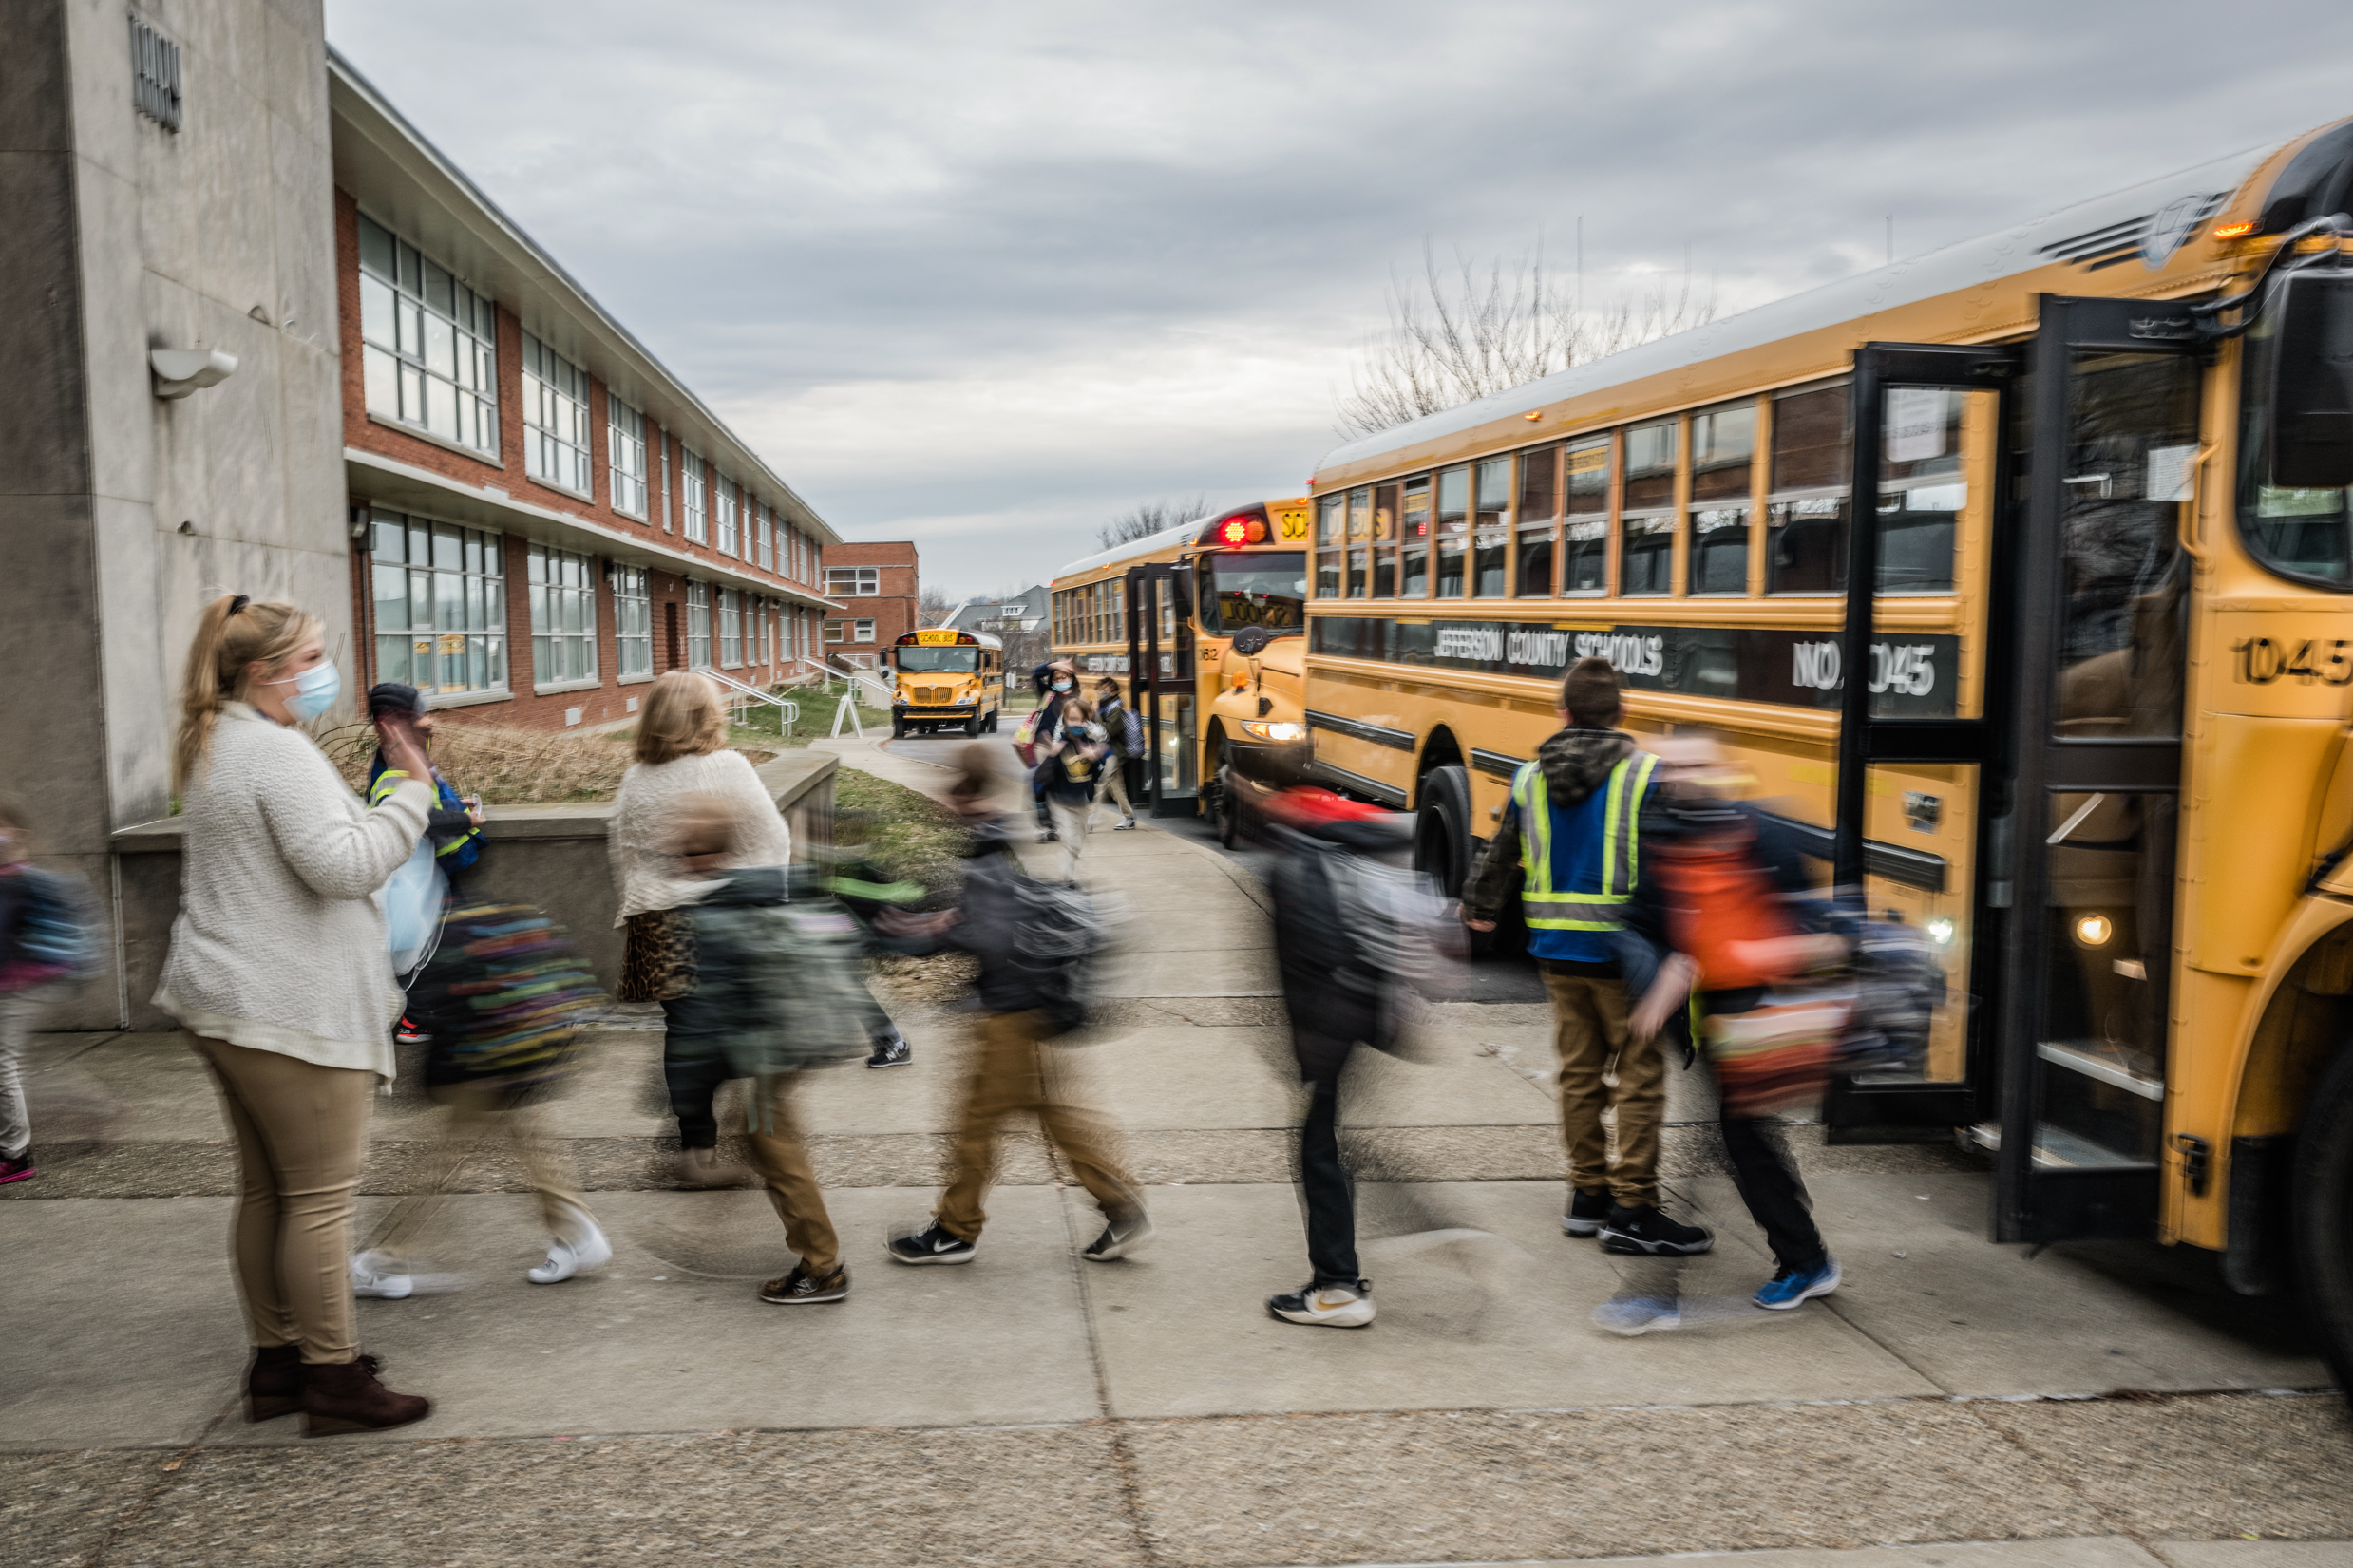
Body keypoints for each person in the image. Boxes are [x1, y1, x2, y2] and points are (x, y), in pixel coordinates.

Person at [156, 593, 436, 1436]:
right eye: (311, 658)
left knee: (267, 1191)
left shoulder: (216, 738)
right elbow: (342, 866)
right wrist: (413, 792)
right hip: (287, 1006)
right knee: (318, 1200)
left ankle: (277, 1364)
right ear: (263, 673)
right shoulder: (275, 751)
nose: (324, 671)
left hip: (226, 998)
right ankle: (334, 1379)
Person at [1462, 656, 1712, 1257]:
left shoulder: (1529, 777)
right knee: (1638, 1080)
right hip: (1626, 956)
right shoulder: (1646, 773)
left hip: (1557, 950)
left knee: (1578, 1074)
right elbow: (1675, 863)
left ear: (1564, 713)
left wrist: (1480, 908)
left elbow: (1502, 852)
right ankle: (1634, 1207)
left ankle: (1586, 1195)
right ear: (1622, 712)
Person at [881, 746, 1148, 1267]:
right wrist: (944, 924)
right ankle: (1122, 1206)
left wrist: (935, 930)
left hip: (1011, 1009)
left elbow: (993, 928)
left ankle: (956, 1229)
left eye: (952, 791)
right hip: (1030, 1004)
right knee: (1056, 1114)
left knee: (977, 1121)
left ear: (963, 792)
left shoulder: (985, 840)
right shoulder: (997, 834)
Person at [1624, 733, 1845, 1311]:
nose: (1685, 774)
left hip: (1763, 1018)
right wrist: (1656, 991)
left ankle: (1807, 1260)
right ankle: (1804, 1254)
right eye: (1673, 766)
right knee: (1745, 1140)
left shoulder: (1766, 833)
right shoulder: (1661, 839)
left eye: (1697, 763)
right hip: (1711, 1025)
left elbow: (1809, 929)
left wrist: (1755, 954)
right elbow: (1649, 925)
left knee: (1743, 1139)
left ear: (1724, 770)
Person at [665, 794, 858, 1305]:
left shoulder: (714, 916)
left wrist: (685, 1087)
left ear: (706, 856)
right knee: (764, 1140)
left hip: (769, 1051)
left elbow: (709, 1015)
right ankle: (814, 1258)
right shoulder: (756, 893)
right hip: (788, 1045)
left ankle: (822, 1267)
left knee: (776, 1150)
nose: (679, 861)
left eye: (686, 852)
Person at [608, 671, 794, 1189]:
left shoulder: (635, 779)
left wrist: (639, 911)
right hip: (722, 921)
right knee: (745, 1032)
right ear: (705, 715)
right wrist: (765, 908)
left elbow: (621, 853)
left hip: (654, 924)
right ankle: (752, 1135)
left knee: (685, 1038)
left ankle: (695, 1146)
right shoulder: (727, 768)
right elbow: (774, 840)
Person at [1260, 787, 1415, 1329]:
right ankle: (1344, 1272)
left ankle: (1338, 1287)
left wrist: (1310, 1049)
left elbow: (1318, 958)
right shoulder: (1349, 854)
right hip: (1362, 1023)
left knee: (1318, 1149)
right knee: (1330, 1144)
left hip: (1330, 1032)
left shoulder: (1299, 862)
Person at [363, 683, 484, 1046]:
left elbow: (424, 800)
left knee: (441, 946)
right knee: (423, 952)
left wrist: (454, 804)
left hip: (432, 875)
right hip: (413, 882)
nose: (431, 722)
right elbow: (420, 818)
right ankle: (414, 1021)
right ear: (396, 722)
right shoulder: (392, 768)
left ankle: (430, 1014)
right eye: (422, 714)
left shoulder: (405, 755)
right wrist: (467, 821)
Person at [0, 798, 100, 1185]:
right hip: (12, 982)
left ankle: (15, 1155)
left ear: (17, 835)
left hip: (16, 985)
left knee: (3, 1064)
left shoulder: (22, 880)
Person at [1038, 697, 1109, 882]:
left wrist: (1096, 759)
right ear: (1065, 720)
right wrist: (1052, 756)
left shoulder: (1089, 744)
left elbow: (1097, 777)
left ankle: (1068, 869)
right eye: (1072, 719)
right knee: (1069, 840)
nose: (1076, 724)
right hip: (1059, 801)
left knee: (1078, 844)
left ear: (1087, 722)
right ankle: (1067, 879)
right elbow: (1039, 778)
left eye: (1081, 720)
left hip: (1081, 802)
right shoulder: (1060, 745)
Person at [1092, 677, 1141, 831]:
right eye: (1102, 688)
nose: (1103, 691)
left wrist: (1096, 714)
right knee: (1115, 787)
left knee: (1102, 784)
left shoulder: (1116, 709)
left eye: (1107, 689)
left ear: (1115, 692)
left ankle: (1091, 818)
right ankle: (1129, 817)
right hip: (1108, 752)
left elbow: (1108, 731)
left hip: (1115, 753)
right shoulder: (1106, 706)